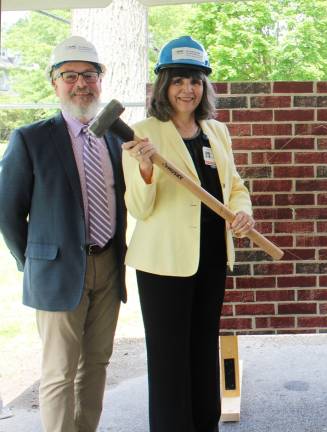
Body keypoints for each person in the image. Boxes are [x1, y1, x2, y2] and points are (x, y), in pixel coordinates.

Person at [121, 36, 254, 432]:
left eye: (195, 80)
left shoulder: (217, 131)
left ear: (204, 86)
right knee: (168, 359)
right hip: (164, 264)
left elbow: (235, 187)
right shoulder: (143, 133)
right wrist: (146, 170)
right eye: (178, 80)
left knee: (201, 350)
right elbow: (140, 207)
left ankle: (204, 425)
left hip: (212, 257)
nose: (187, 89)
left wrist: (243, 213)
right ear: (164, 85)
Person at [0, 36, 127, 431]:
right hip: (56, 272)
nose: (81, 84)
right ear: (54, 82)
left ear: (101, 81)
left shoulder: (115, 139)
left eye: (89, 74)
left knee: (97, 364)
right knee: (58, 372)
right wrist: (34, 262)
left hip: (108, 265)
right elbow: (7, 211)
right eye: (69, 75)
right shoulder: (31, 139)